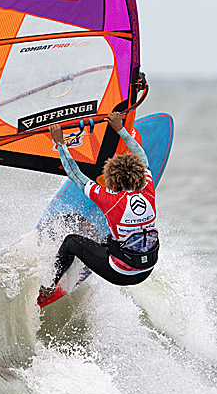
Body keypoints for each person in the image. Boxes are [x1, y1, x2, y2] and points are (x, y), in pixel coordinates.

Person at [40, 112, 159, 299]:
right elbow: (141, 155)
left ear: (111, 180)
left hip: (121, 274)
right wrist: (120, 129)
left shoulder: (109, 199)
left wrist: (60, 144)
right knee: (107, 238)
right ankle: (101, 253)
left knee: (71, 241)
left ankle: (49, 285)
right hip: (147, 267)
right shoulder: (148, 190)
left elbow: (75, 175)